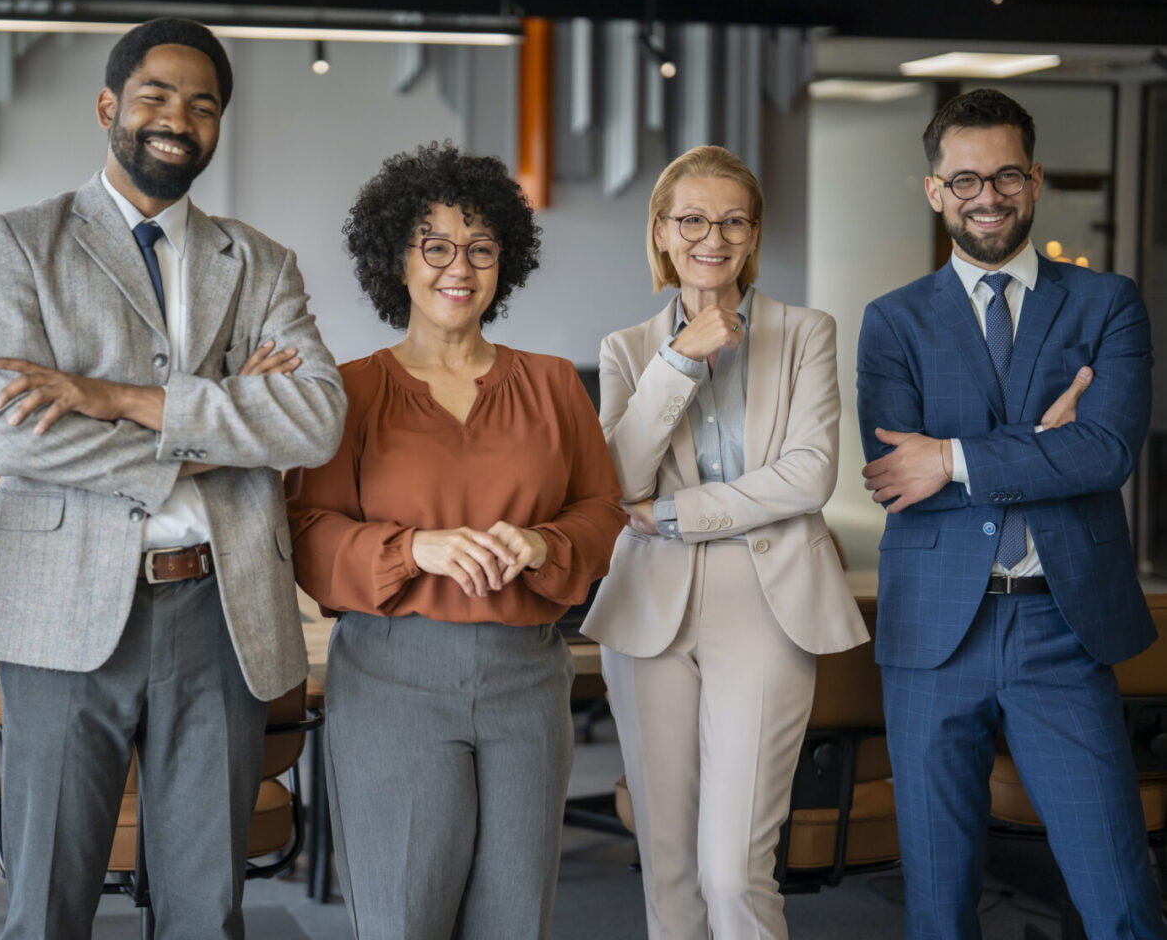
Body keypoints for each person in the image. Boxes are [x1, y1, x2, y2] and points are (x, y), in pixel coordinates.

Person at [0, 17, 346, 940]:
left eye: (203, 106)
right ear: (109, 108)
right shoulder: (21, 242)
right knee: (48, 902)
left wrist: (118, 399)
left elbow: (317, 419)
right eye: (158, 96)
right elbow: (18, 439)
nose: (180, 118)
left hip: (220, 612)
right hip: (59, 610)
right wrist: (222, 422)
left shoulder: (260, 263)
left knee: (207, 908)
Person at [286, 142, 626, 940]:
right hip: (392, 677)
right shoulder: (350, 390)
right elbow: (305, 532)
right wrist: (416, 550)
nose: (459, 267)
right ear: (395, 259)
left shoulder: (551, 385)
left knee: (515, 919)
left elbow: (603, 510)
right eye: (434, 245)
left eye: (480, 247)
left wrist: (545, 546)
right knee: (408, 916)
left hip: (529, 680)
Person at [857, 88, 1165, 939]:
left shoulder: (1107, 304)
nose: (984, 196)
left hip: (1059, 629)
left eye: (1003, 176)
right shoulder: (893, 323)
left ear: (1034, 181)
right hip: (933, 638)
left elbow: (1106, 452)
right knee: (938, 903)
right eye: (964, 180)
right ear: (935, 190)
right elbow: (893, 475)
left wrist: (952, 455)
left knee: (1119, 894)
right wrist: (1039, 447)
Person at [582, 144, 869, 940]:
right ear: (663, 231)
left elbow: (809, 477)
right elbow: (618, 476)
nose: (713, 237)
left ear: (753, 234)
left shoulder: (806, 330)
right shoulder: (629, 349)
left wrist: (674, 513)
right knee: (668, 868)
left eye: (733, 221)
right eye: (693, 220)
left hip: (766, 602)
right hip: (649, 609)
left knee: (733, 870)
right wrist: (680, 359)